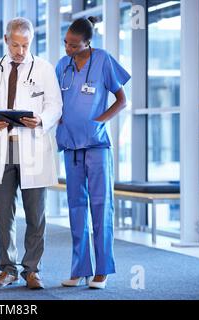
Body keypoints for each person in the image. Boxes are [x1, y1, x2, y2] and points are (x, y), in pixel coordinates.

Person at [0, 17, 62, 290]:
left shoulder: (44, 69)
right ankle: (7, 269)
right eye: (16, 45)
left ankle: (32, 270)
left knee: (36, 214)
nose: (20, 51)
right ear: (6, 40)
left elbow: (55, 105)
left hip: (32, 146)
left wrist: (40, 119)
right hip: (2, 146)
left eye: (25, 45)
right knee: (3, 213)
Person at [55, 17, 131, 289]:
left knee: (101, 206)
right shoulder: (62, 66)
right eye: (66, 42)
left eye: (73, 44)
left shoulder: (103, 60)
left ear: (87, 42)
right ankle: (79, 269)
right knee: (75, 209)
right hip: (71, 146)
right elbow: (54, 102)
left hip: (97, 146)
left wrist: (99, 122)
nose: (68, 48)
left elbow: (122, 100)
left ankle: (102, 270)